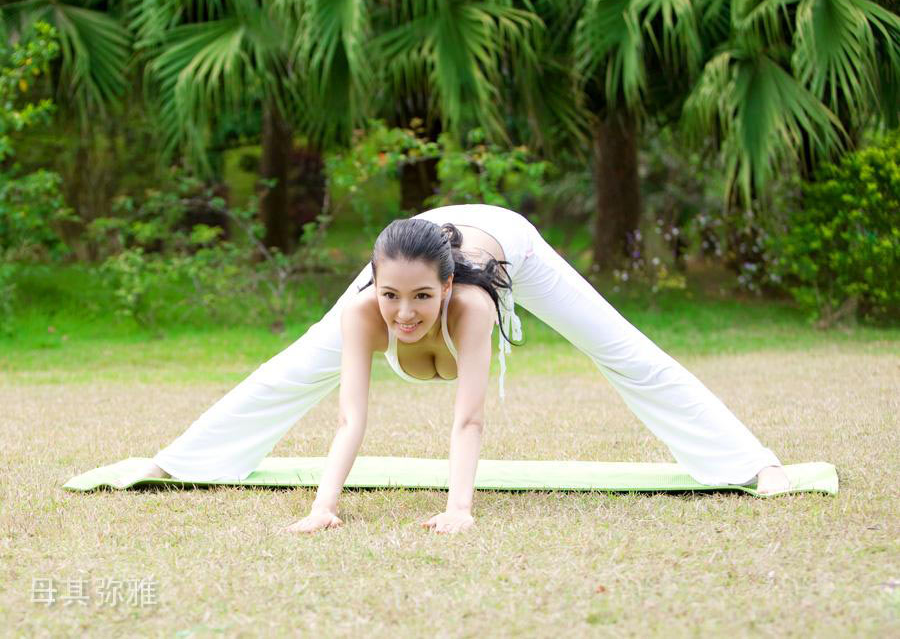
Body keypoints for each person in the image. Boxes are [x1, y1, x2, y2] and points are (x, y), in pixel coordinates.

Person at [132, 204, 791, 534]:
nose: (405, 315)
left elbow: (469, 416)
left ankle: (747, 460)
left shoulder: (471, 303)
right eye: (392, 296)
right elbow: (347, 416)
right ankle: (186, 456)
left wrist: (459, 509)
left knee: (620, 348)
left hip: (508, 241)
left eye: (421, 298)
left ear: (445, 289)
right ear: (374, 282)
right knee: (300, 360)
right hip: (421, 236)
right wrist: (324, 506)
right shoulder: (369, 307)